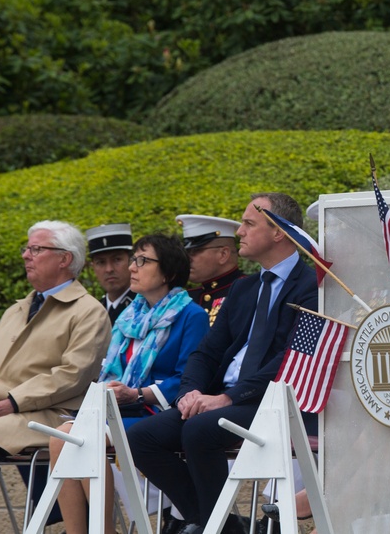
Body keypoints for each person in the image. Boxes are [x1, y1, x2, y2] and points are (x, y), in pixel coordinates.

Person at [128, 193, 318, 534]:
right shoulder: (245, 289)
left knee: (200, 429)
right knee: (142, 437)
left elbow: (293, 357)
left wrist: (230, 398)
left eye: (248, 223)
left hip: (272, 402)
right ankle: (224, 526)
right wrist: (190, 392)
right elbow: (207, 353)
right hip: (221, 399)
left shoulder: (313, 286)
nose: (240, 232)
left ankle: (211, 526)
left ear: (278, 232)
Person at [0, 220, 111, 534]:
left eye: (36, 249)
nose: (26, 255)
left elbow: (72, 375)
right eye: (27, 248)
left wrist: (12, 402)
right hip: (0, 414)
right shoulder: (17, 309)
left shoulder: (87, 311)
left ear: (64, 259)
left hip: (50, 414)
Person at [48, 233, 209, 534]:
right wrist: (112, 390)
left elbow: (190, 378)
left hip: (158, 414)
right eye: (134, 260)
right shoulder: (130, 315)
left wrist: (138, 394)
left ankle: (103, 530)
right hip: (120, 409)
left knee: (84, 439)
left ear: (169, 273)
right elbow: (112, 371)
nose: (132, 268)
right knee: (61, 438)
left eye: (143, 261)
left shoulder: (192, 315)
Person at [177, 214, 245, 325]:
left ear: (223, 254)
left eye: (195, 251)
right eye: (186, 252)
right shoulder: (186, 298)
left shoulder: (249, 291)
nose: (187, 258)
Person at [86, 223, 136, 324]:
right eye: (101, 262)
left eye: (117, 259)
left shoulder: (145, 305)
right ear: (93, 267)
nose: (109, 269)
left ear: (131, 261)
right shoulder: (94, 311)